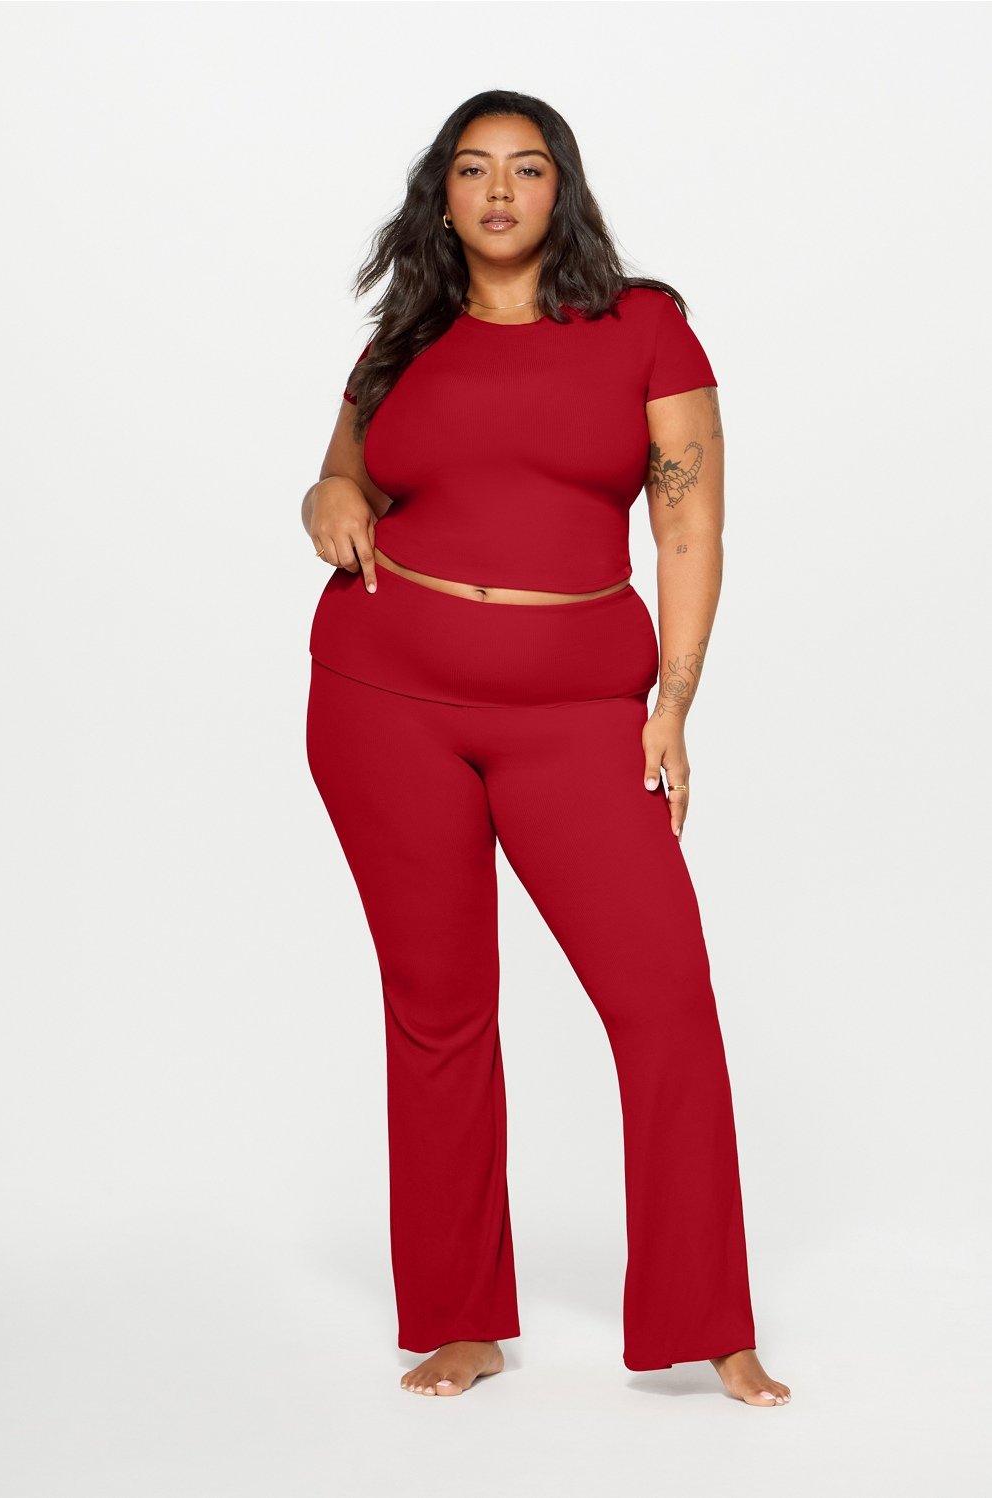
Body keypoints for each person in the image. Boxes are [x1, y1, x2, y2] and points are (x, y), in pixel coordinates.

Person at [301, 89, 791, 1409]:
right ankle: (459, 1317)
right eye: (474, 170)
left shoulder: (644, 328)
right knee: (439, 1008)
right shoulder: (402, 339)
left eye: (526, 168)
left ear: (561, 189)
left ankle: (710, 1321)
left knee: (664, 1002)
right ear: (443, 196)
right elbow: (341, 476)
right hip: (381, 697)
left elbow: (689, 527)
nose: (501, 191)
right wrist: (329, 493)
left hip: (577, 715)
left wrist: (672, 703)